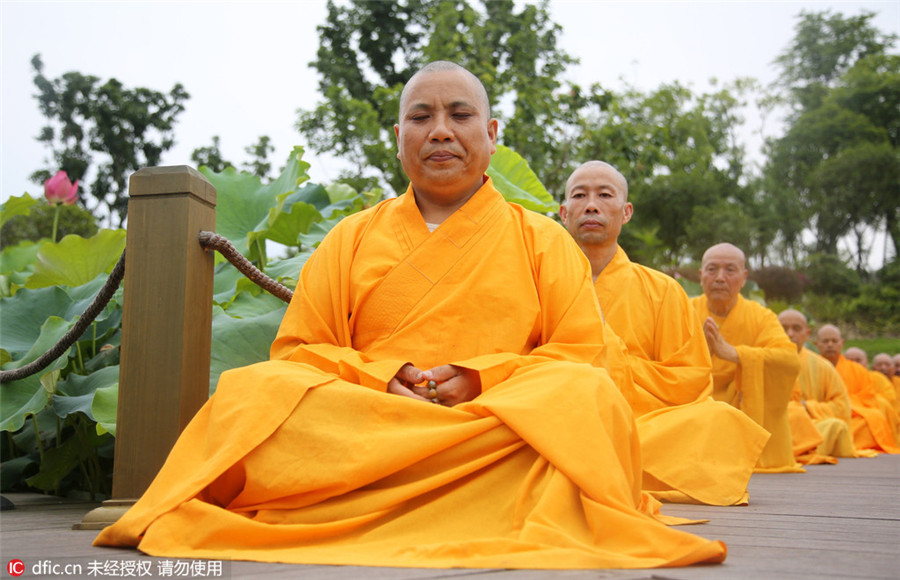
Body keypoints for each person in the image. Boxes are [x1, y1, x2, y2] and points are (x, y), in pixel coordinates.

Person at [93, 61, 725, 569]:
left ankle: (376, 497)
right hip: (372, 418)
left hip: (492, 419)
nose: (440, 131)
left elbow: (581, 354)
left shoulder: (542, 238)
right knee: (251, 390)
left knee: (583, 393)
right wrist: (381, 376)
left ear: (492, 133)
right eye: (420, 117)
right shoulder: (350, 237)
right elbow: (299, 351)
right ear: (400, 137)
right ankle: (471, 497)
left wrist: (481, 376)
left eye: (459, 115)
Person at [560, 161, 767, 505]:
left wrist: (613, 364)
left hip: (639, 426)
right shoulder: (540, 281)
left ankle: (592, 463)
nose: (591, 204)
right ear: (564, 213)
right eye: (580, 195)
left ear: (626, 212)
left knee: (718, 420)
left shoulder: (664, 290)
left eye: (604, 195)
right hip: (560, 413)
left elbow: (692, 381)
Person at [690, 243, 802, 473]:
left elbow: (788, 359)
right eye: (712, 269)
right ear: (701, 276)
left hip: (741, 409)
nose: (720, 278)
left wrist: (737, 354)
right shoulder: (683, 310)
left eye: (730, 270)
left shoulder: (762, 317)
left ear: (743, 278)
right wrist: (697, 353)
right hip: (695, 404)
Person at [777, 309, 856, 461]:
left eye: (796, 329)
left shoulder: (823, 366)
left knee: (834, 425)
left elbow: (842, 407)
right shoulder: (760, 360)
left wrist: (808, 407)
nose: (790, 334)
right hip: (775, 425)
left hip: (810, 425)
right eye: (784, 328)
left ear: (807, 334)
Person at [815, 326, 899, 454]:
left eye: (834, 341)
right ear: (817, 344)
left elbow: (867, 398)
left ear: (841, 343)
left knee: (872, 420)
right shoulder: (808, 366)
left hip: (851, 415)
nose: (830, 345)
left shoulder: (858, 370)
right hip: (818, 415)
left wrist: (845, 405)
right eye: (825, 341)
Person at [844, 347, 899, 435]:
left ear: (866, 363)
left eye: (858, 360)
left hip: (875, 422)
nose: (854, 364)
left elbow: (888, 401)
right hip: (850, 421)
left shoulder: (878, 378)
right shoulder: (837, 379)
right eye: (850, 360)